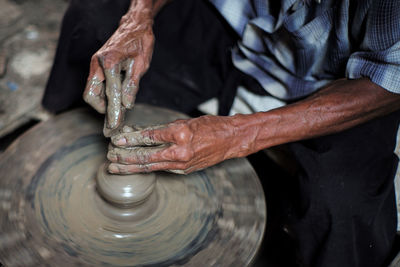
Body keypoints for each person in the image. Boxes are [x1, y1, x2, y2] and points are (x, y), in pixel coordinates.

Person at [42, 0, 400, 266]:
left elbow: (387, 83)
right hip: (233, 24)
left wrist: (240, 134)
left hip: (340, 81)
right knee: (93, 20)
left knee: (342, 202)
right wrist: (138, 17)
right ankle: (51, 154)